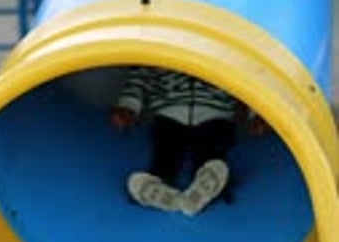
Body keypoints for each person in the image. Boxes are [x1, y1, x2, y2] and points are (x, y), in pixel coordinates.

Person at [111, 66, 264, 215]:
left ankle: (210, 180)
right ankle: (159, 184)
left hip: (216, 112)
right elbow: (140, 77)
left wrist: (257, 114)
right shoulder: (158, 46)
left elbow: (246, 76)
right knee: (166, 150)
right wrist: (128, 107)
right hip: (170, 111)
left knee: (212, 148)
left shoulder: (227, 50)